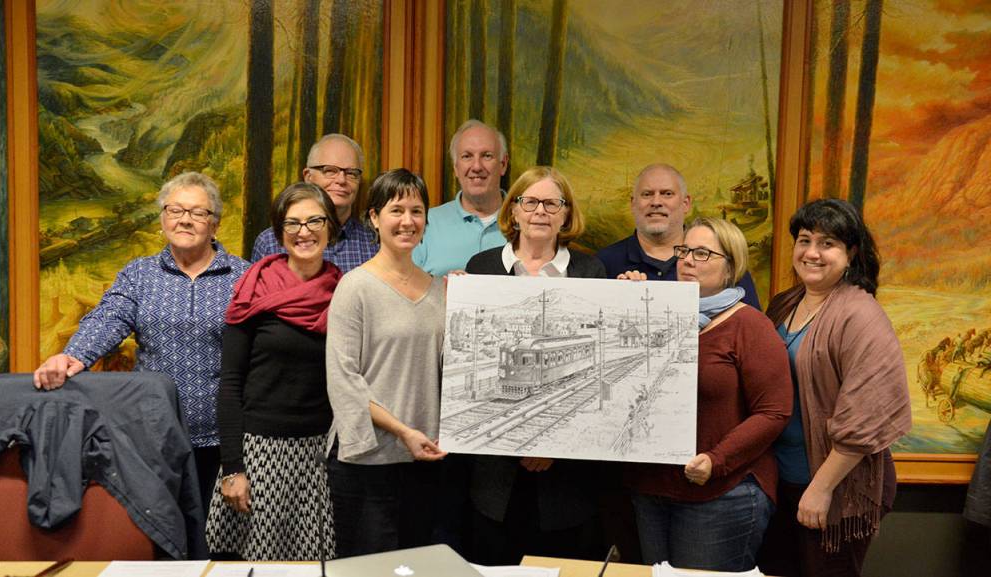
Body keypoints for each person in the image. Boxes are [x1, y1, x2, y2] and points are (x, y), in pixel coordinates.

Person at [33, 171, 250, 516]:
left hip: (223, 441)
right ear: (163, 218)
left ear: (215, 225)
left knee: (217, 548)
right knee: (158, 542)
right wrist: (72, 356)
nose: (184, 220)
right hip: (152, 435)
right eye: (175, 210)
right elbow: (108, 318)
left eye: (197, 212)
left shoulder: (244, 277)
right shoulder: (139, 274)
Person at [625, 217, 792, 571]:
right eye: (684, 250)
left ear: (731, 266)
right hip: (651, 490)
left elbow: (774, 412)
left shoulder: (749, 326)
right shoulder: (656, 313)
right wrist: (627, 300)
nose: (687, 260)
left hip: (722, 493)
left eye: (702, 253)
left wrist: (717, 460)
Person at [757, 199, 911, 577]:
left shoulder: (861, 315)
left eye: (827, 243)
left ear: (851, 253)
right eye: (804, 240)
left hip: (836, 487)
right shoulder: (784, 304)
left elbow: (867, 415)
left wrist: (821, 489)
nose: (812, 252)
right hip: (782, 480)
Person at [465, 166, 606, 565]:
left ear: (565, 214)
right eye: (530, 202)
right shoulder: (481, 267)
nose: (539, 211)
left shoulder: (591, 272)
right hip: (492, 472)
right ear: (514, 211)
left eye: (551, 203)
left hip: (565, 478)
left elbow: (592, 374)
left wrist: (554, 446)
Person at [205, 183, 341, 560]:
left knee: (314, 566)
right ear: (279, 232)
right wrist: (233, 468)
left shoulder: (345, 293)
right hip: (257, 455)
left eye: (315, 220)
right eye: (293, 222)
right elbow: (230, 383)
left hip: (318, 458)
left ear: (330, 227)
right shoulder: (253, 289)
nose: (304, 231)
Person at [326, 169, 447, 557]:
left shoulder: (440, 290)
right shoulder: (354, 286)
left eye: (417, 210)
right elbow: (344, 380)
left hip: (424, 458)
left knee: (418, 565)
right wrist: (402, 430)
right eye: (397, 210)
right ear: (375, 218)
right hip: (368, 460)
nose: (408, 221)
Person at [597, 163, 761, 308]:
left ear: (686, 204)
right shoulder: (603, 263)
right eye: (647, 194)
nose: (656, 202)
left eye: (667, 193)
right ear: (633, 204)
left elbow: (750, 331)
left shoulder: (722, 262)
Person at [250, 133, 377, 271]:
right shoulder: (271, 242)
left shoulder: (375, 242)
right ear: (308, 177)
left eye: (351, 173)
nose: (341, 180)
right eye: (330, 171)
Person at [413, 119, 510, 277]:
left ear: (503, 164)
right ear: (455, 168)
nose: (477, 166)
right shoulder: (425, 223)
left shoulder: (527, 223)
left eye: (487, 156)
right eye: (467, 156)